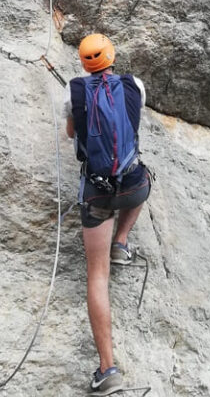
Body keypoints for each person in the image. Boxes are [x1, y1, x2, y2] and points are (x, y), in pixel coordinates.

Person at [65, 34, 151, 395]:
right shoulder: (136, 86)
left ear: (84, 64)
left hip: (97, 194)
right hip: (132, 185)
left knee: (96, 278)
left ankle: (108, 369)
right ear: (113, 57)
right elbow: (132, 122)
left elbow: (71, 133)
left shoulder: (76, 94)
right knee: (146, 179)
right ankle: (122, 241)